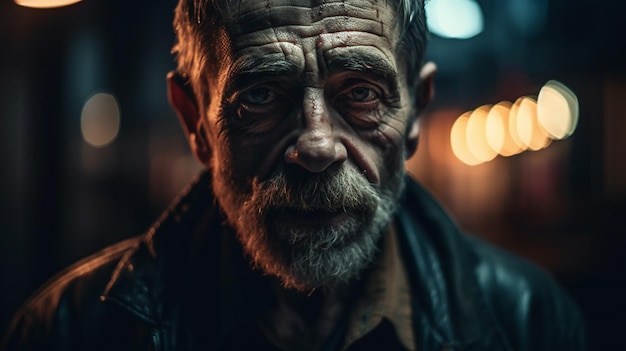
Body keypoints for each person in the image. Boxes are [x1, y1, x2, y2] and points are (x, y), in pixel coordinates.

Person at [2, 0, 585, 350]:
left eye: (360, 92)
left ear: (416, 111)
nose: (316, 145)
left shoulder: (530, 322)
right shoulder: (70, 332)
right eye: (259, 94)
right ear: (194, 120)